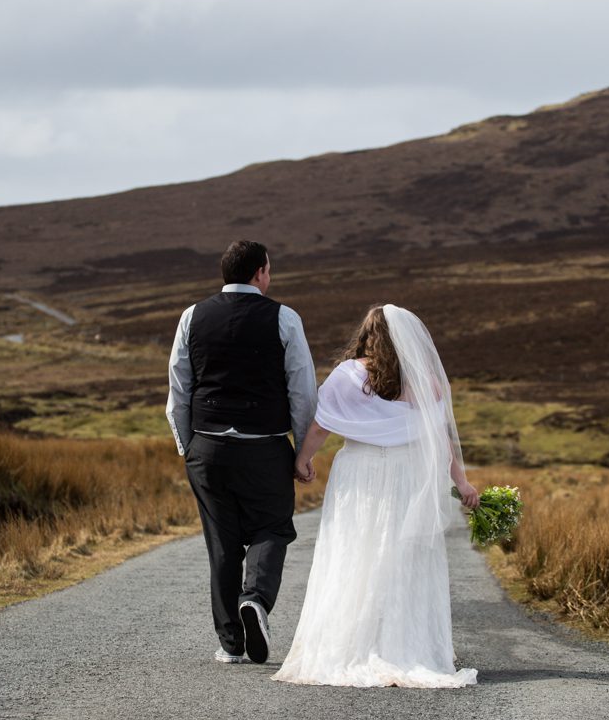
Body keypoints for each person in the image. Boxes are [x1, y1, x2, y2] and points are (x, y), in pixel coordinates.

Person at [273, 303, 479, 688]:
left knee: (356, 552)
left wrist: (303, 459)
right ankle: (408, 646)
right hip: (406, 475)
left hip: (360, 475)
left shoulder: (348, 376)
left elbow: (320, 425)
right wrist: (463, 483)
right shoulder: (424, 384)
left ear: (367, 336)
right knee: (402, 556)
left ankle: (350, 644)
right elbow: (442, 441)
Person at [166, 240, 317, 664]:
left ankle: (230, 643)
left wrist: (188, 447)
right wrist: (303, 452)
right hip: (265, 446)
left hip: (207, 447)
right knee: (272, 527)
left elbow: (179, 388)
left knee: (222, 542)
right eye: (268, 270)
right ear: (259, 274)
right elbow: (302, 390)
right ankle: (255, 600)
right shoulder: (284, 318)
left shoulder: (191, 316)